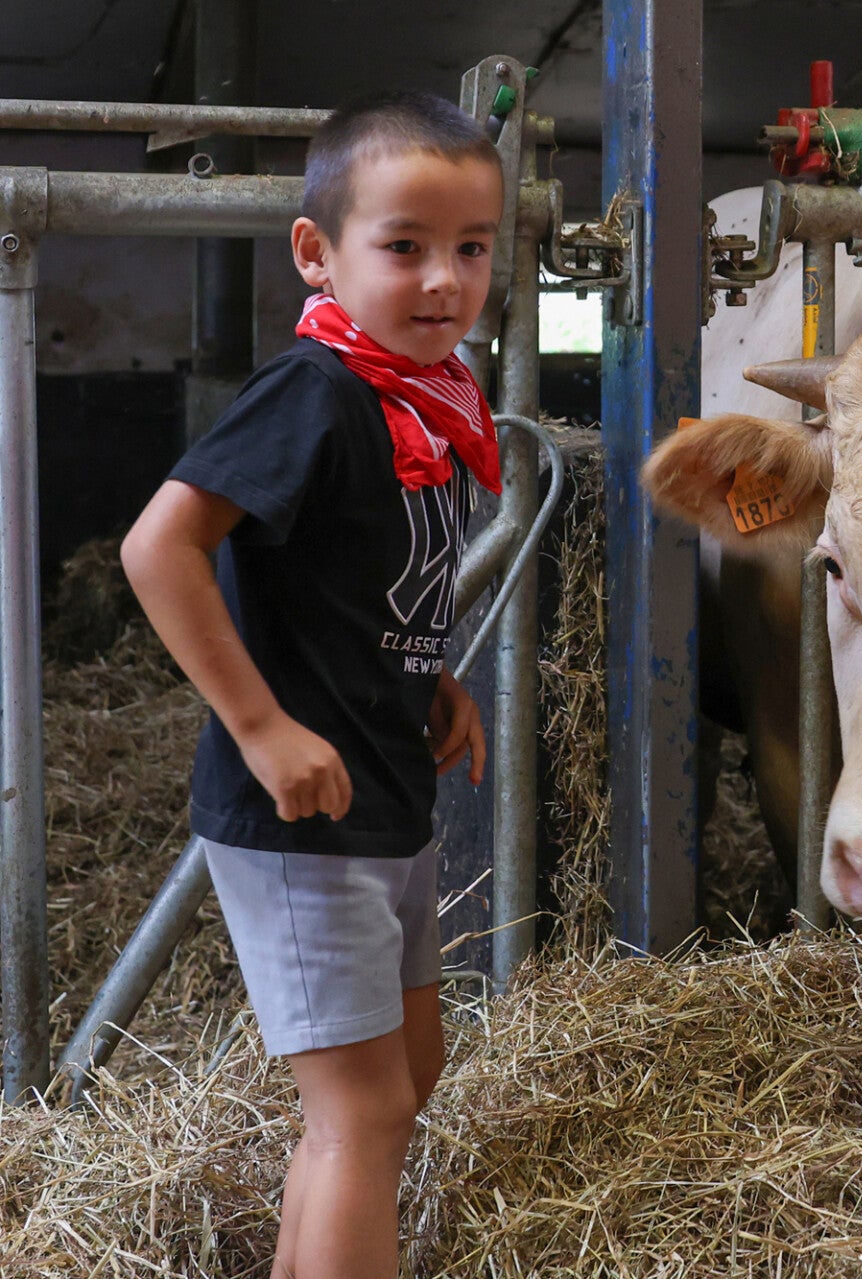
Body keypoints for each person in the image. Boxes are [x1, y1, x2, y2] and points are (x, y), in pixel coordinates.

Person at [121, 90, 504, 1278]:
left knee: (406, 1077)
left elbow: (360, 577)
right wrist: (260, 726)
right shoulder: (317, 391)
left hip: (384, 790)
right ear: (316, 253)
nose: (443, 279)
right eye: (404, 246)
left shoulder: (425, 400)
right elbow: (158, 548)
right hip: (302, 814)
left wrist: (430, 675)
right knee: (362, 1110)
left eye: (472, 248)